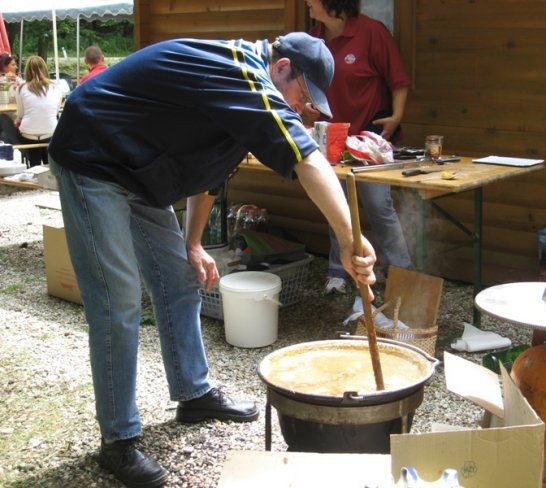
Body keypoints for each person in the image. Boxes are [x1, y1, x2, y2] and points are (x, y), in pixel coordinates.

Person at [48, 32, 376, 488]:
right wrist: (347, 237)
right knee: (117, 301)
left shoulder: (241, 100)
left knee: (181, 280)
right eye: (303, 95)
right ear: (281, 68)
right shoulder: (240, 73)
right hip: (94, 157)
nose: (303, 109)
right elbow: (308, 159)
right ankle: (119, 440)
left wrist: (194, 245)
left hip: (140, 173)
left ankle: (193, 392)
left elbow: (211, 177)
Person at [306, 0, 414, 294]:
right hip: (329, 138)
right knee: (334, 206)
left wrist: (397, 116)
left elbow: (398, 79)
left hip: (368, 141)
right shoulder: (313, 38)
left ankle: (402, 274)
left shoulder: (371, 32)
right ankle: (338, 271)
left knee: (379, 207)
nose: (306, 3)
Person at [14, 56, 63, 167]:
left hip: (28, 135)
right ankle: (46, 165)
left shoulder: (21, 88)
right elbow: (54, 113)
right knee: (45, 136)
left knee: (27, 134)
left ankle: (34, 166)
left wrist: (18, 120)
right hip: (50, 133)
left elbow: (21, 115)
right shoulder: (56, 87)